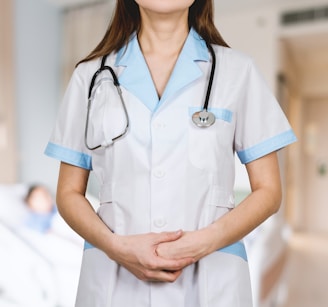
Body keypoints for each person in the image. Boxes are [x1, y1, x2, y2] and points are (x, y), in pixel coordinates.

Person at [45, 1, 297, 306]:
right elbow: (69, 193)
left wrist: (203, 243)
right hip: (114, 283)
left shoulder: (237, 72)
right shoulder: (91, 77)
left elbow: (269, 192)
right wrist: (116, 247)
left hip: (212, 282)